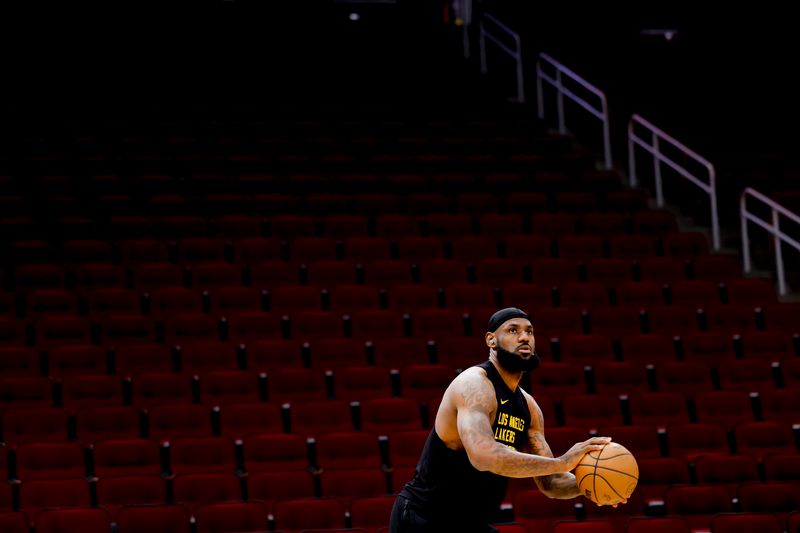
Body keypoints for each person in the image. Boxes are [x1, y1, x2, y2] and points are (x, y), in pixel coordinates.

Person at [390, 307, 621, 532]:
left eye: (529, 331)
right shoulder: (474, 384)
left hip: (469, 523)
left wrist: (592, 483)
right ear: (491, 340)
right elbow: (484, 456)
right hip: (424, 517)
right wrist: (564, 462)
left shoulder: (529, 407)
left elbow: (551, 483)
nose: (524, 337)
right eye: (513, 330)